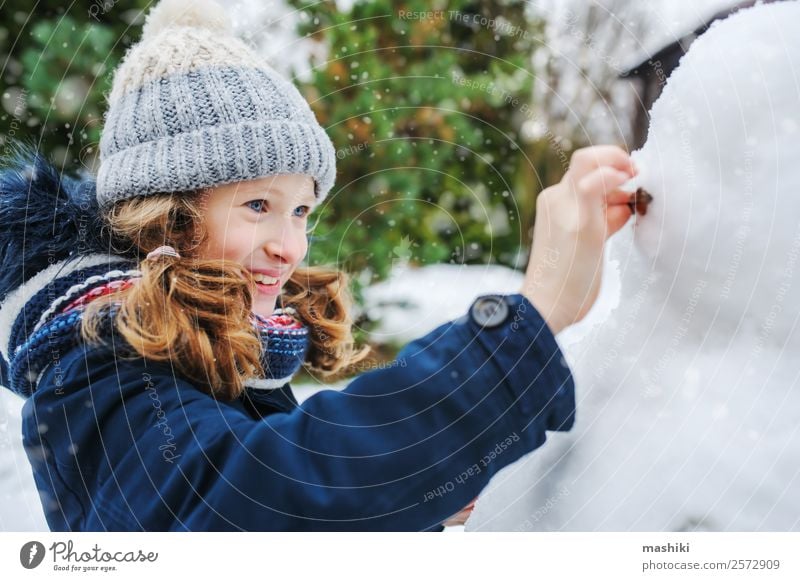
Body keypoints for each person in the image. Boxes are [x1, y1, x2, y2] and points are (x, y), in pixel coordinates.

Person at [0, 0, 636, 531]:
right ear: (167, 218)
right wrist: (528, 320)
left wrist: (410, 504)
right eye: (258, 205)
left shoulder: (221, 346)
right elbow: (262, 496)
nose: (291, 245)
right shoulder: (94, 368)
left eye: (302, 210)